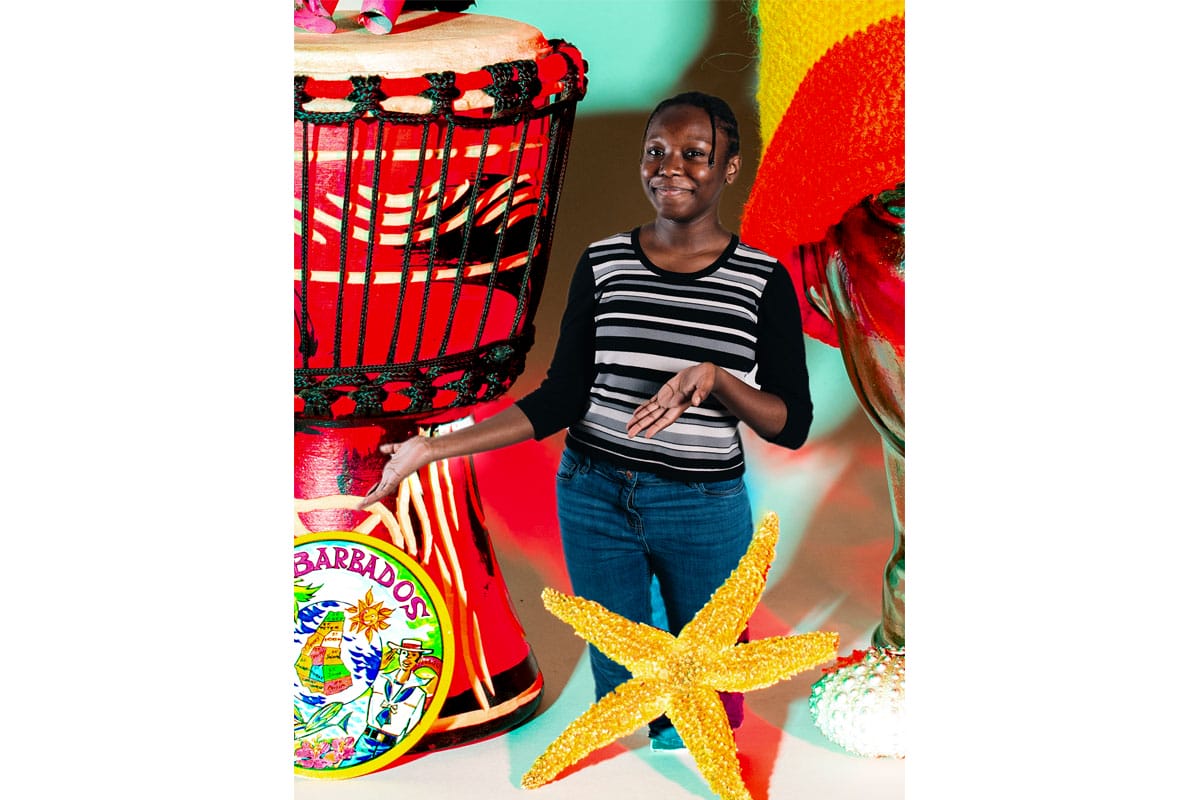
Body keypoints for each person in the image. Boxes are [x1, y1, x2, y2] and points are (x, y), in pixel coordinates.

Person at [359, 91, 812, 750]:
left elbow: (790, 424)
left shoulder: (761, 280)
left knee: (710, 711)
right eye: (656, 152)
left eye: (694, 154)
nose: (670, 167)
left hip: (703, 505)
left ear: (730, 168)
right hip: (594, 495)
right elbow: (559, 399)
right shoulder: (605, 264)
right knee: (625, 700)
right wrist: (433, 449)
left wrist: (716, 380)